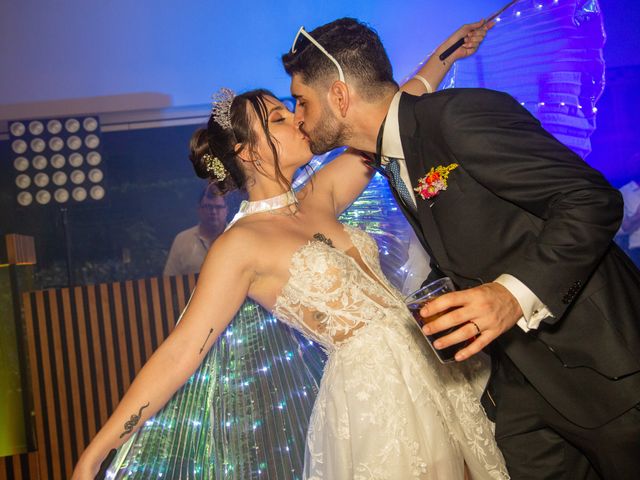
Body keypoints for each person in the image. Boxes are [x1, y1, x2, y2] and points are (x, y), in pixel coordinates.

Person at [72, 23, 510, 480]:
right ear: (247, 151)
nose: (299, 119)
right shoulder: (239, 245)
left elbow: (387, 117)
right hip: (375, 397)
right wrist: (95, 452)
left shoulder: (319, 195)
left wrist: (447, 53)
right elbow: (181, 352)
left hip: (431, 366)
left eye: (292, 109)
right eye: (280, 118)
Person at [281, 17, 640, 480]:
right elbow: (477, 240)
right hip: (523, 390)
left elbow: (592, 200)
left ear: (340, 96)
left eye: (301, 100)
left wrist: (512, 296)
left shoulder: (455, 117)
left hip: (606, 370)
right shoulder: (394, 155)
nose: (298, 115)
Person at [163, 183, 228, 276]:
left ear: (226, 210)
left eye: (218, 207)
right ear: (199, 210)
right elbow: (169, 280)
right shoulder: (182, 240)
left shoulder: (238, 238)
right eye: (208, 207)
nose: (213, 212)